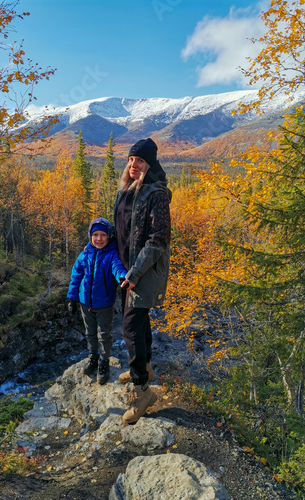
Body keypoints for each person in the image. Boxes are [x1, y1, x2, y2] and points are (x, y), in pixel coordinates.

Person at [114, 138, 171, 424]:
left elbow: (157, 240)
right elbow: (120, 230)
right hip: (126, 269)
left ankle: (142, 391)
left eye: (141, 161)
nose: (134, 165)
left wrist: (134, 273)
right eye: (131, 160)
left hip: (144, 270)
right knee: (139, 319)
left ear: (150, 165)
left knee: (130, 324)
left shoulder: (156, 194)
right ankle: (146, 367)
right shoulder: (125, 190)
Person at [67, 217, 127, 385]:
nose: (99, 239)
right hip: (85, 303)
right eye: (95, 235)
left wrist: (122, 277)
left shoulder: (112, 254)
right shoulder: (84, 254)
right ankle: (93, 357)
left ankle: (103, 362)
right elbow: (76, 276)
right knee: (90, 333)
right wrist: (72, 297)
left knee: (104, 335)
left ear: (109, 237)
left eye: (103, 235)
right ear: (90, 236)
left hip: (105, 305)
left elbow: (117, 267)